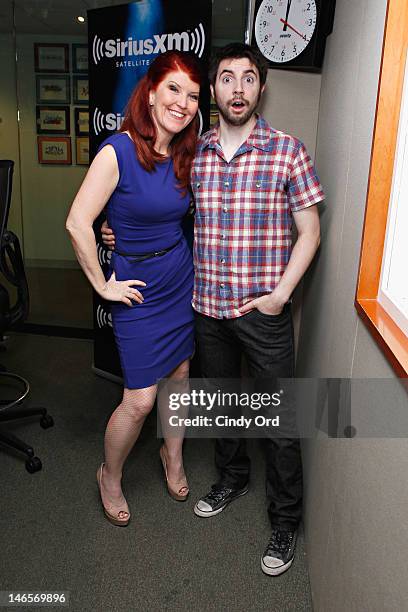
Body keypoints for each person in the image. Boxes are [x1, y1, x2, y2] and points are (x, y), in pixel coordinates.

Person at [102, 42, 325, 574]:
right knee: (222, 404)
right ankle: (230, 478)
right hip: (204, 305)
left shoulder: (287, 151)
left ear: (261, 88)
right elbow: (162, 214)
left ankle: (285, 521)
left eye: (249, 79)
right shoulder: (192, 152)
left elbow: (310, 233)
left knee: (278, 420)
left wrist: (279, 296)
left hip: (262, 311)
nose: (238, 89)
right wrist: (114, 232)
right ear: (215, 90)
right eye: (227, 79)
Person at [66, 50, 202, 526]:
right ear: (150, 91)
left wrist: (114, 223)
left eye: (192, 95)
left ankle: (173, 456)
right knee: (141, 398)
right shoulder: (117, 150)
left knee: (181, 376)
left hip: (178, 280)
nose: (182, 103)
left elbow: (169, 214)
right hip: (138, 288)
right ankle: (109, 474)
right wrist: (103, 285)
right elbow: (78, 222)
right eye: (173, 89)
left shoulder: (186, 153)